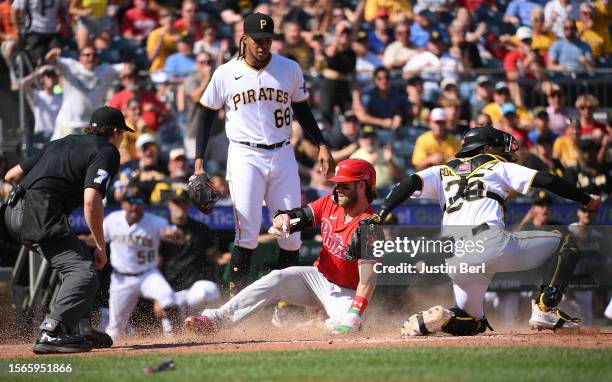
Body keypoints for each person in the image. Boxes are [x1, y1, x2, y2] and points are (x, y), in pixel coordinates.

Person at [366, 127, 601, 337]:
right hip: (489, 242)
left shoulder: (441, 171)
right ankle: (545, 309)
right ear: (486, 147)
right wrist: (585, 199)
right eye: (500, 146)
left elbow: (408, 183)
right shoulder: (496, 165)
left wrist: (382, 212)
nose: (505, 151)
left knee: (474, 322)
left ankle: (432, 322)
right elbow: (548, 181)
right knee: (566, 240)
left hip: (456, 256)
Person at [194, 13, 334, 293]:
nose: (263, 45)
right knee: (247, 234)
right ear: (244, 39)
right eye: (257, 40)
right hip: (245, 156)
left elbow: (303, 109)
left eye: (268, 39)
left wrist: (321, 143)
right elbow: (206, 114)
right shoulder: (225, 73)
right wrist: (198, 162)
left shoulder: (289, 68)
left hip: (282, 154)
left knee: (290, 233)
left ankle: (284, 303)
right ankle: (235, 303)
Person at [185, 159, 378, 334]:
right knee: (277, 277)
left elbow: (368, 281)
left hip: (347, 290)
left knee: (347, 327)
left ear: (361, 185)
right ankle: (215, 320)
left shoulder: (370, 228)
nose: (337, 189)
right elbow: (302, 216)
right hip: (318, 278)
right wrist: (284, 217)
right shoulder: (330, 202)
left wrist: (355, 314)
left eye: (344, 184)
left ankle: (323, 323)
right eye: (336, 184)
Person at [2, 106, 131, 353]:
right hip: (38, 213)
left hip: (11, 213)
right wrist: (101, 246)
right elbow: (92, 201)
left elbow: (11, 175)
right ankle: (54, 330)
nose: (122, 138)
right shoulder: (107, 150)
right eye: (122, 133)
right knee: (83, 271)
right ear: (114, 132)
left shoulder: (60, 142)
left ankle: (78, 328)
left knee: (80, 257)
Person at [102, 187, 185, 339]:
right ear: (123, 204)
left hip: (148, 274)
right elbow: (97, 240)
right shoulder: (112, 220)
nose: (135, 205)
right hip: (121, 278)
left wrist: (173, 234)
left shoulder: (154, 221)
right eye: (130, 201)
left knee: (168, 298)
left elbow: (179, 236)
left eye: (139, 201)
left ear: (144, 205)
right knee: (115, 329)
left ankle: (176, 337)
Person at [159, 187, 221, 316]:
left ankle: (208, 321)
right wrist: (158, 296)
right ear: (169, 204)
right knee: (172, 332)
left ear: (188, 204)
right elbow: (156, 266)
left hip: (195, 288)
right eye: (177, 203)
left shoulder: (200, 228)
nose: (180, 206)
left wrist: (229, 258)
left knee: (209, 289)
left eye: (183, 202)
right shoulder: (161, 229)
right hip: (171, 290)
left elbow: (213, 256)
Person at [44, 46, 126, 140]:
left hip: (90, 126)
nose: (91, 58)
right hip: (68, 123)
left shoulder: (105, 71)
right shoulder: (71, 66)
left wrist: (127, 73)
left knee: (86, 154)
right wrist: (51, 54)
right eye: (87, 55)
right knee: (58, 153)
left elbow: (126, 67)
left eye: (94, 55)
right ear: (80, 58)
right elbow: (50, 60)